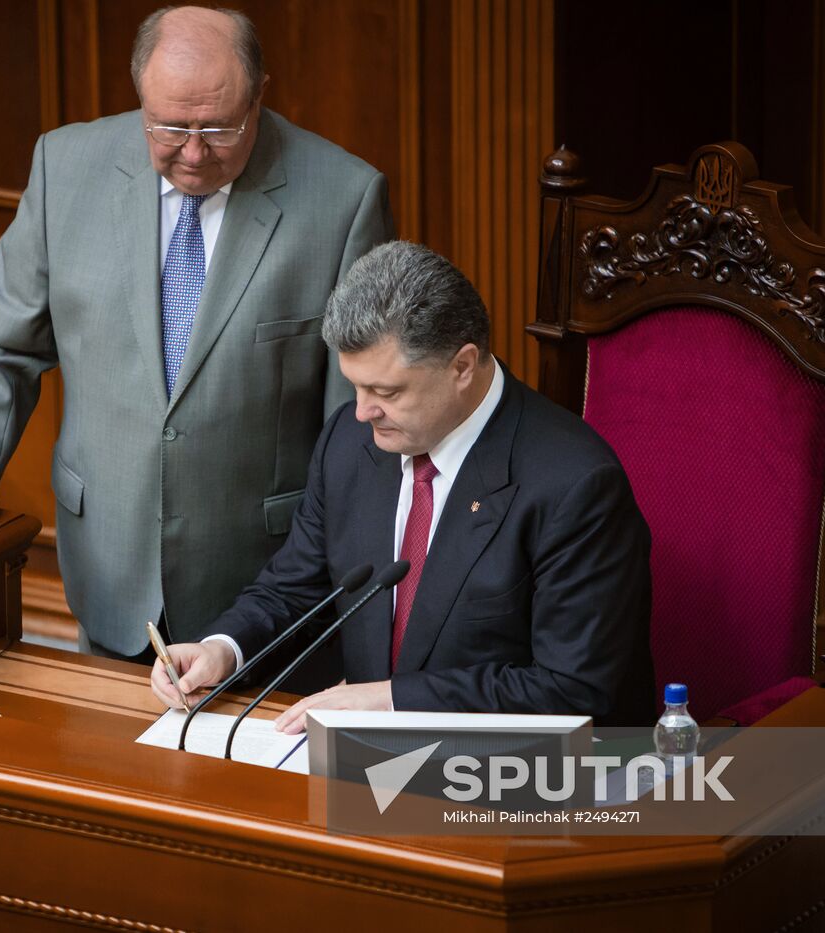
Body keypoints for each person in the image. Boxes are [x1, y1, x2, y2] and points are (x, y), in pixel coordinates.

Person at [0, 6, 394, 657]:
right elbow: (1, 346)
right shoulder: (66, 167)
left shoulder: (344, 198)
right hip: (109, 568)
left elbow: (358, 420)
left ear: (260, 96)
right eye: (169, 127)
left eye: (219, 128)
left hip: (266, 594)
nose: (193, 153)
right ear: (139, 96)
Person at [151, 241, 656, 729]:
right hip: (366, 767)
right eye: (355, 385)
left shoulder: (576, 486)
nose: (362, 410)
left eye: (386, 391)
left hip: (519, 784)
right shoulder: (350, 442)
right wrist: (223, 648)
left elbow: (571, 688)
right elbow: (294, 588)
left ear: (462, 366)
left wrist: (391, 701)